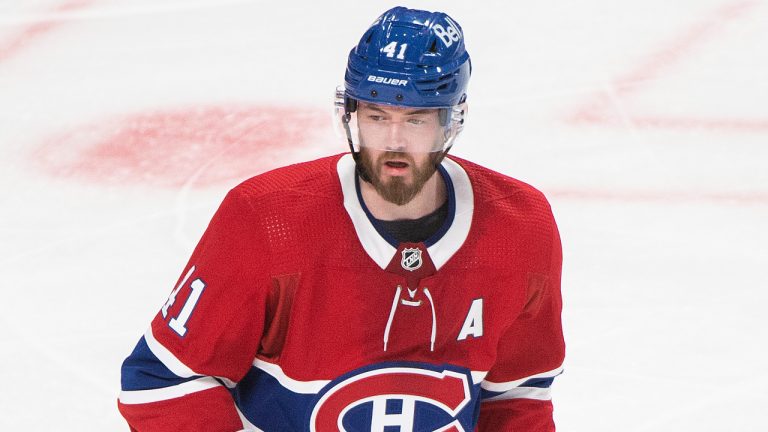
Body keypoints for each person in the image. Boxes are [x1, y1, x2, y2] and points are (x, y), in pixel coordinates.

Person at [118, 6, 565, 431]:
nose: (393, 141)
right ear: (351, 114)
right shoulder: (267, 220)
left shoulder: (520, 228)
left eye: (416, 120)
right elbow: (161, 382)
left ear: (451, 121)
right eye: (376, 116)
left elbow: (518, 396)